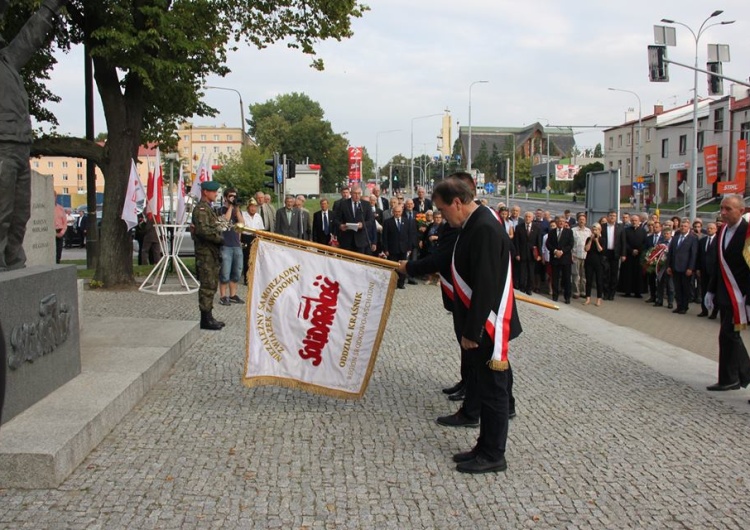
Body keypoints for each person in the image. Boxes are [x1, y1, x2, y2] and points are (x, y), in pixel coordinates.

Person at [431, 178, 522, 474]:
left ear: (457, 202)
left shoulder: (482, 226)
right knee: (484, 386)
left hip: (488, 328)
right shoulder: (475, 221)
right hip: (484, 324)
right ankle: (483, 446)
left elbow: (485, 283)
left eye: (443, 211)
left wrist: (473, 331)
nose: (443, 217)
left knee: (494, 391)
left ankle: (494, 454)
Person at [705, 194, 750, 393]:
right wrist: (711, 290)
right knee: (727, 336)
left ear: (741, 211)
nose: (723, 213)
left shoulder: (747, 232)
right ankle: (729, 378)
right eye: (721, 208)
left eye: (728, 209)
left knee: (729, 335)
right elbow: (718, 265)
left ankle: (739, 376)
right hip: (726, 294)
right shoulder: (722, 231)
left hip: (743, 295)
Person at [191, 180, 225, 330]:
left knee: (211, 284)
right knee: (207, 285)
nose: (216, 194)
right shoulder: (202, 210)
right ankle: (205, 319)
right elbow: (203, 231)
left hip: (211, 252)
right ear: (205, 192)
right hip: (205, 253)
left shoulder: (208, 209)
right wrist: (219, 239)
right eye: (214, 192)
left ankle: (209, 316)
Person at [217, 188, 245, 306]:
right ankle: (223, 296)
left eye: (235, 196)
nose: (233, 198)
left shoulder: (237, 211)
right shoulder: (219, 210)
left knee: (237, 272)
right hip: (225, 245)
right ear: (225, 197)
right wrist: (230, 207)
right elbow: (225, 221)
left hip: (236, 245)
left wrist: (237, 209)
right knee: (225, 272)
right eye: (231, 196)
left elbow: (242, 225)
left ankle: (233, 295)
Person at [667, 218, 698, 315]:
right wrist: (669, 266)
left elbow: (693, 254)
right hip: (675, 267)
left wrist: (690, 268)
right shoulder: (675, 238)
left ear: (689, 227)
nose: (683, 228)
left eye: (685, 226)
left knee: (685, 288)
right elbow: (670, 253)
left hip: (686, 268)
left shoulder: (692, 238)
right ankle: (679, 305)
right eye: (681, 226)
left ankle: (684, 307)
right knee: (677, 288)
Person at [381, 204, 413, 289]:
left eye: (399, 211)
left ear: (401, 212)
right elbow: (384, 237)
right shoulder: (387, 222)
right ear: (393, 212)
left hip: (404, 248)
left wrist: (409, 248)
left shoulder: (406, 221)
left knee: (402, 266)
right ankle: (393, 283)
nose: (397, 213)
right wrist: (386, 249)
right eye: (395, 212)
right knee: (393, 267)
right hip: (392, 249)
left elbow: (410, 235)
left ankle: (401, 283)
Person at [337, 186, 375, 254]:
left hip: (361, 240)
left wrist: (363, 225)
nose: (357, 196)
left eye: (359, 193)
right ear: (351, 194)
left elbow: (371, 220)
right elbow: (336, 219)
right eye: (355, 193)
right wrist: (340, 225)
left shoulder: (366, 205)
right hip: (347, 239)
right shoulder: (343, 204)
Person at [546, 215, 574, 303]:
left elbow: (570, 244)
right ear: (556, 222)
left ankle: (567, 297)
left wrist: (562, 251)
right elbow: (548, 244)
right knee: (555, 278)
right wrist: (555, 251)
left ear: (565, 222)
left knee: (566, 278)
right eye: (559, 221)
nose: (561, 222)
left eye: (563, 221)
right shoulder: (551, 232)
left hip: (565, 258)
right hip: (555, 258)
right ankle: (555, 295)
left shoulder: (569, 232)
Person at [514, 211, 541, 296]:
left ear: (532, 218)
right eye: (526, 216)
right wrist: (517, 253)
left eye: (529, 217)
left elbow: (538, 242)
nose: (528, 218)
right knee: (522, 271)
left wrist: (539, 255)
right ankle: (522, 287)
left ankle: (529, 288)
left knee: (531, 272)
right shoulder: (519, 227)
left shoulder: (537, 228)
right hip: (522, 253)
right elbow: (516, 242)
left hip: (532, 254)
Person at [600, 210, 625, 300]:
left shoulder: (620, 227)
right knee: (605, 273)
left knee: (614, 274)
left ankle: (612, 294)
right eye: (610, 215)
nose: (612, 217)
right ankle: (605, 293)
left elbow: (623, 242)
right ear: (607, 216)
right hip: (605, 253)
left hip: (615, 253)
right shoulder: (602, 227)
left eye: (614, 216)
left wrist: (623, 254)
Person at [696, 222, 718, 318]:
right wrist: (697, 268)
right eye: (708, 228)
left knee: (714, 291)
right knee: (704, 290)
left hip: (714, 271)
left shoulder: (718, 241)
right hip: (703, 270)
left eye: (712, 228)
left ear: (715, 230)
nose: (709, 230)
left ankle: (714, 312)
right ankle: (704, 310)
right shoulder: (702, 241)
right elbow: (698, 256)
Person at [240, 198, 265, 284]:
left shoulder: (258, 216)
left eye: (255, 207)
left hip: (256, 238)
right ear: (248, 207)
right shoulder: (243, 215)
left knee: (255, 258)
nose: (253, 208)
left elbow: (261, 229)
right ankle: (246, 279)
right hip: (246, 237)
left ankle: (254, 278)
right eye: (251, 207)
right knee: (247, 258)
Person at [622, 214, 646, 297]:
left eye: (636, 220)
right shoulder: (626, 230)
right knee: (628, 274)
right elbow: (624, 242)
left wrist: (638, 250)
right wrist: (631, 250)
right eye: (632, 220)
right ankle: (627, 291)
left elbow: (644, 243)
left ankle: (638, 292)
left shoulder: (643, 231)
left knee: (638, 274)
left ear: (639, 221)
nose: (634, 222)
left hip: (639, 256)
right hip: (629, 255)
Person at [583, 224, 605, 306]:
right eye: (593, 230)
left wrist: (596, 241)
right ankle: (587, 298)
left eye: (596, 230)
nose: (594, 231)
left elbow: (601, 250)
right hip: (589, 262)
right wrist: (591, 241)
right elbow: (586, 249)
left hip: (599, 263)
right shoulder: (589, 239)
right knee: (588, 280)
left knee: (599, 281)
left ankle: (599, 299)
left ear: (600, 230)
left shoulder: (602, 239)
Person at [571, 213, 591, 299]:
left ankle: (583, 291)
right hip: (575, 255)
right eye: (580, 219)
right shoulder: (573, 230)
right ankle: (576, 292)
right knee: (575, 275)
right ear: (577, 221)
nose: (582, 221)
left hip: (586, 256)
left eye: (583, 219)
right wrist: (571, 255)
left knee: (584, 276)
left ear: (585, 221)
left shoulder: (589, 231)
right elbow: (570, 243)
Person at [53, 193, 67, 263]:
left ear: (56, 197)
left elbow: (65, 223)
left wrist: (62, 233)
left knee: (58, 252)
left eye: (54, 196)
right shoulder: (47, 209)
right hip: (52, 232)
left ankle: (58, 262)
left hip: (60, 231)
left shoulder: (60, 208)